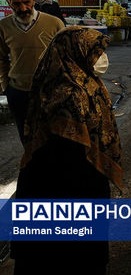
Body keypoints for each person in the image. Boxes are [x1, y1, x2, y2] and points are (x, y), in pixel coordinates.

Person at [11, 27, 122, 274]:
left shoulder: (78, 79)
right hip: (65, 184)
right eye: (95, 52)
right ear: (76, 53)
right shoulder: (69, 93)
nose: (101, 58)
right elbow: (68, 154)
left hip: (65, 180)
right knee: (67, 256)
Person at [0, 0, 64, 142]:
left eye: (26, 2)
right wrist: (6, 87)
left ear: (33, 0)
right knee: (27, 137)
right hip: (18, 91)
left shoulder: (54, 23)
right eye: (16, 4)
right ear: (8, 3)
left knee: (53, 136)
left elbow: (65, 57)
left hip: (50, 91)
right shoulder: (3, 26)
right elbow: (1, 59)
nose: (23, 8)